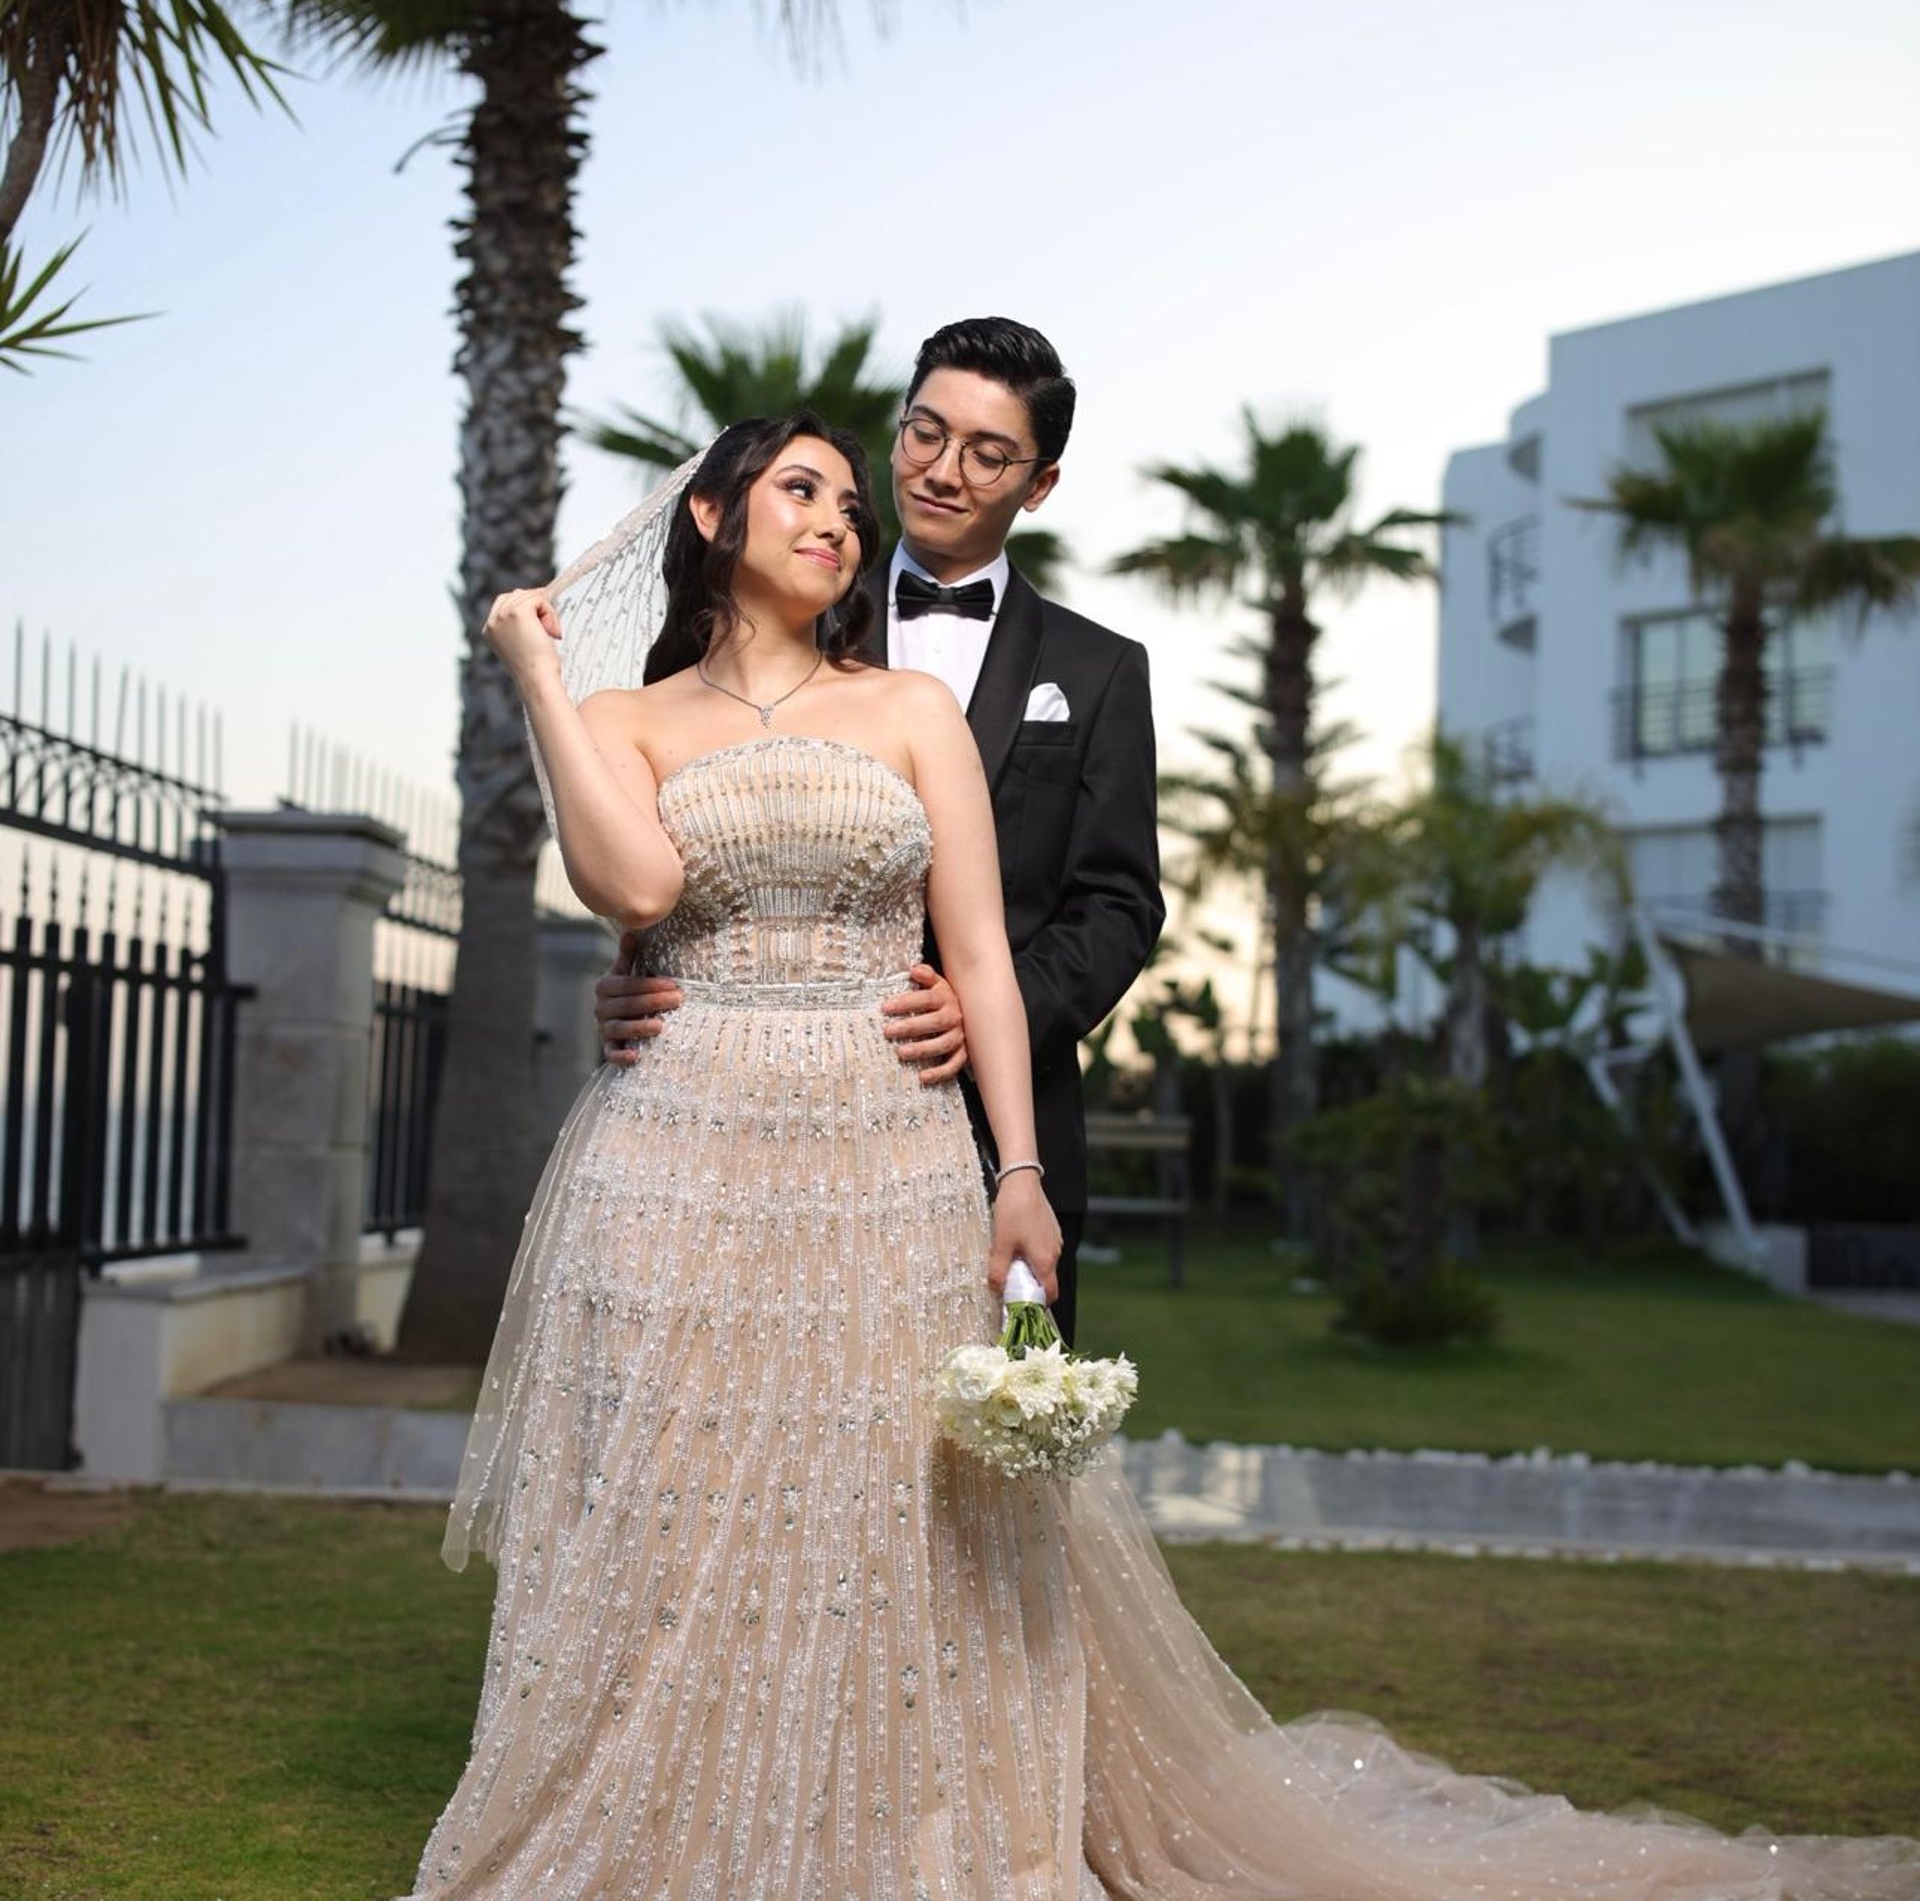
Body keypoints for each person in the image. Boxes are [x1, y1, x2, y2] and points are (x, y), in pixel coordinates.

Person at [405, 412, 1915, 1901]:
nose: (843, 520)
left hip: (884, 1149)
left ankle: (893, 1832)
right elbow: (638, 879)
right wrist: (542, 669)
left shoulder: (910, 714)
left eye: (853, 504)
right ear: (714, 520)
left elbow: (988, 961)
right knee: (685, 1491)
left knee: (890, 1501)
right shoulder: (627, 719)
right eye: (804, 488)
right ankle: (687, 1828)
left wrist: (1017, 1175)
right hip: (681, 1149)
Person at [591, 319, 1165, 1343]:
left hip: (1002, 1127)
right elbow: (684, 816)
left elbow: (1122, 902)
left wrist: (995, 1006)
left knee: (973, 1467)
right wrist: (649, 968)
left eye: (989, 454)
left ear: (1039, 485)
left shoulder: (1100, 670)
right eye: (924, 434)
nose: (944, 471)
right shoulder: (788, 597)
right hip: (750, 1130)